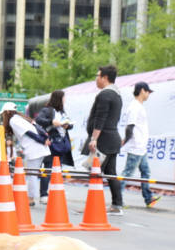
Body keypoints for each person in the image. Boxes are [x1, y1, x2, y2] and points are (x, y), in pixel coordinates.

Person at [82, 65, 123, 215]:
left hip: (104, 140)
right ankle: (117, 205)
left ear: (105, 78)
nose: (96, 79)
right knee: (110, 172)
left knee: (95, 172)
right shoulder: (116, 94)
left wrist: (94, 139)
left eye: (97, 76)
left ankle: (95, 205)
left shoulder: (105, 95)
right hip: (112, 138)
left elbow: (100, 119)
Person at [120, 82, 161, 208]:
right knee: (127, 173)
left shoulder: (138, 106)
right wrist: (125, 141)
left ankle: (148, 198)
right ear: (142, 90)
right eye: (148, 91)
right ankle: (118, 200)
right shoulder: (134, 107)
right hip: (136, 146)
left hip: (141, 147)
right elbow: (130, 126)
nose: (148, 94)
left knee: (145, 171)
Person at [6, 105, 51, 206]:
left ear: (8, 112)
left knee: (32, 174)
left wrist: (42, 140)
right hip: (39, 149)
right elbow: (37, 127)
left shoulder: (13, 120)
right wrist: (44, 138)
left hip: (34, 149)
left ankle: (30, 198)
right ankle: (31, 197)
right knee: (33, 174)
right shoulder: (21, 118)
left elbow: (29, 133)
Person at [35, 90, 74, 204]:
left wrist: (68, 125)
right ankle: (43, 194)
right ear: (59, 98)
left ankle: (55, 191)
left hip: (61, 143)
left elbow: (69, 124)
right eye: (63, 97)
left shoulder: (62, 112)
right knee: (48, 167)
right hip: (51, 143)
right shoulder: (47, 110)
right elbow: (39, 120)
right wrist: (52, 122)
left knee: (58, 168)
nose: (65, 99)